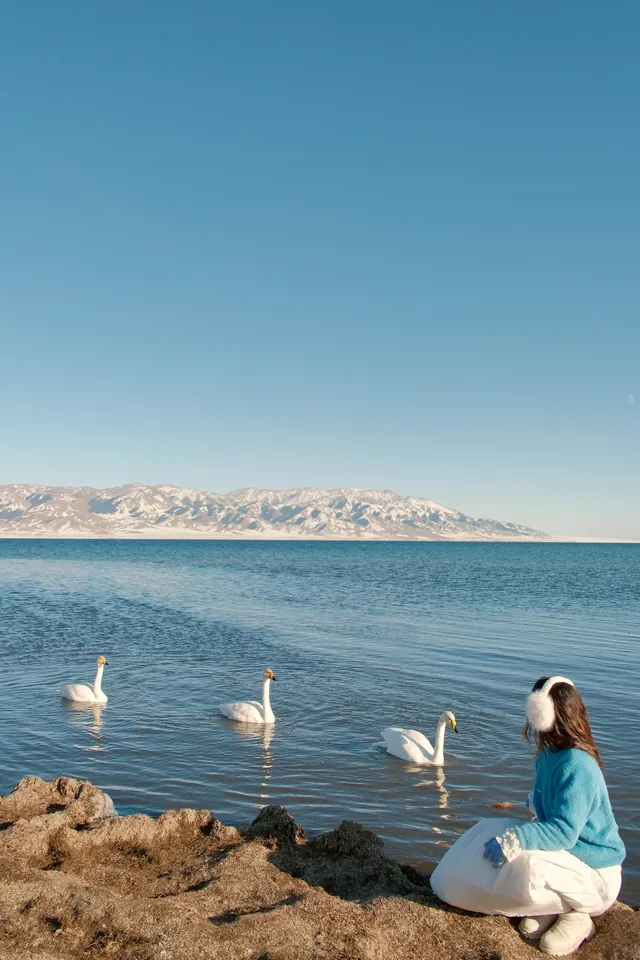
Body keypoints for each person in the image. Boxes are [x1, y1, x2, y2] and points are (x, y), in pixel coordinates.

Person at [430, 676, 625, 957]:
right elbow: (548, 811)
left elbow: (563, 832)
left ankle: (579, 913)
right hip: (568, 857)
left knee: (526, 864)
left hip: (596, 872)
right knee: (489, 829)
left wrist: (516, 839)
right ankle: (554, 904)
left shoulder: (578, 765)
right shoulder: (549, 756)